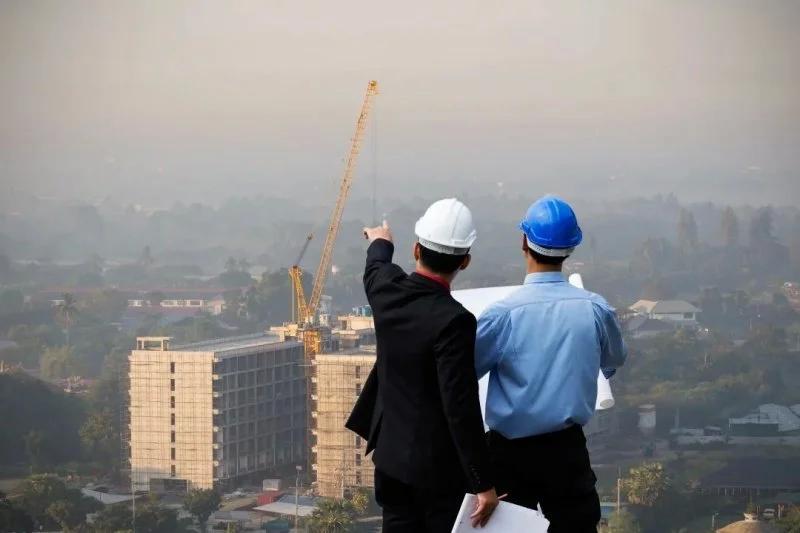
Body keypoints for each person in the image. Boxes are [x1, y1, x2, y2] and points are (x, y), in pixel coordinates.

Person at [475, 195, 627, 533]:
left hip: (509, 454)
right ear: (571, 249)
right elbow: (613, 361)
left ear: (524, 242)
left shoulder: (502, 315)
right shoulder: (595, 309)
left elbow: (464, 374)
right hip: (567, 450)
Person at [346, 198, 500, 532]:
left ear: (416, 249)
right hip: (436, 474)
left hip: (390, 461)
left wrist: (381, 239)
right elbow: (459, 405)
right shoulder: (455, 321)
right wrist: (482, 482)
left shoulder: (387, 290)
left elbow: (377, 263)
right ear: (466, 261)